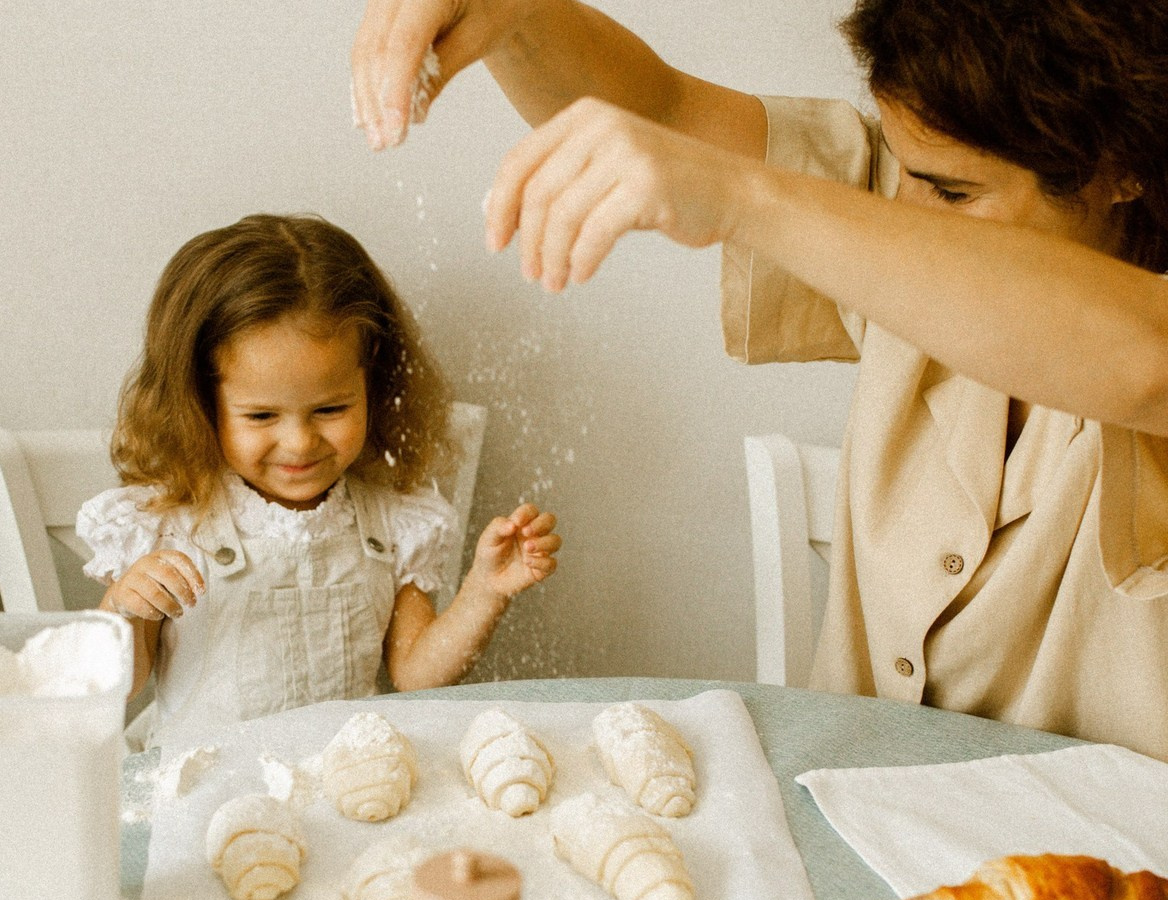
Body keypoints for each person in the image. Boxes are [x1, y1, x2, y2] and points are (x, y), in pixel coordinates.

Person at [351, 0, 1168, 760]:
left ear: (1120, 168)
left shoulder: (1136, 331)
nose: (905, 208)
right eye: (903, 169)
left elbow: (1143, 360)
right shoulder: (896, 188)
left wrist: (744, 194)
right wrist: (515, 16)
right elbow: (661, 111)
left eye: (952, 191)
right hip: (846, 821)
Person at [77, 213, 561, 748]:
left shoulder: (394, 517)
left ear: (372, 383)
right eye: (261, 417)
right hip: (208, 786)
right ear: (200, 403)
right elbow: (119, 687)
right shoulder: (167, 520)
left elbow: (414, 676)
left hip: (348, 783)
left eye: (330, 409)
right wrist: (124, 607)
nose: (300, 443)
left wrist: (484, 592)